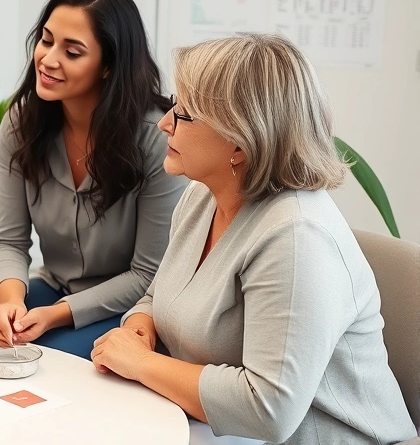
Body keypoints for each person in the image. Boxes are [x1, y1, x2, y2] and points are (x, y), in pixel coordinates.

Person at [91, 34, 417, 445]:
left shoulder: (296, 239)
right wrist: (141, 327)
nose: (164, 122)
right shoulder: (202, 197)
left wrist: (141, 363)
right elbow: (160, 295)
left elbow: (269, 409)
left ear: (240, 144)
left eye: (184, 114)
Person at [0, 0, 187, 359]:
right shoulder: (21, 124)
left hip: (130, 307)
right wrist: (11, 301)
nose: (47, 59)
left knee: (51, 367)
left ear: (108, 66)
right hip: (52, 289)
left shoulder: (156, 137)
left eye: (72, 52)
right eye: (46, 41)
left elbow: (148, 274)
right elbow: (8, 240)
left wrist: (54, 316)